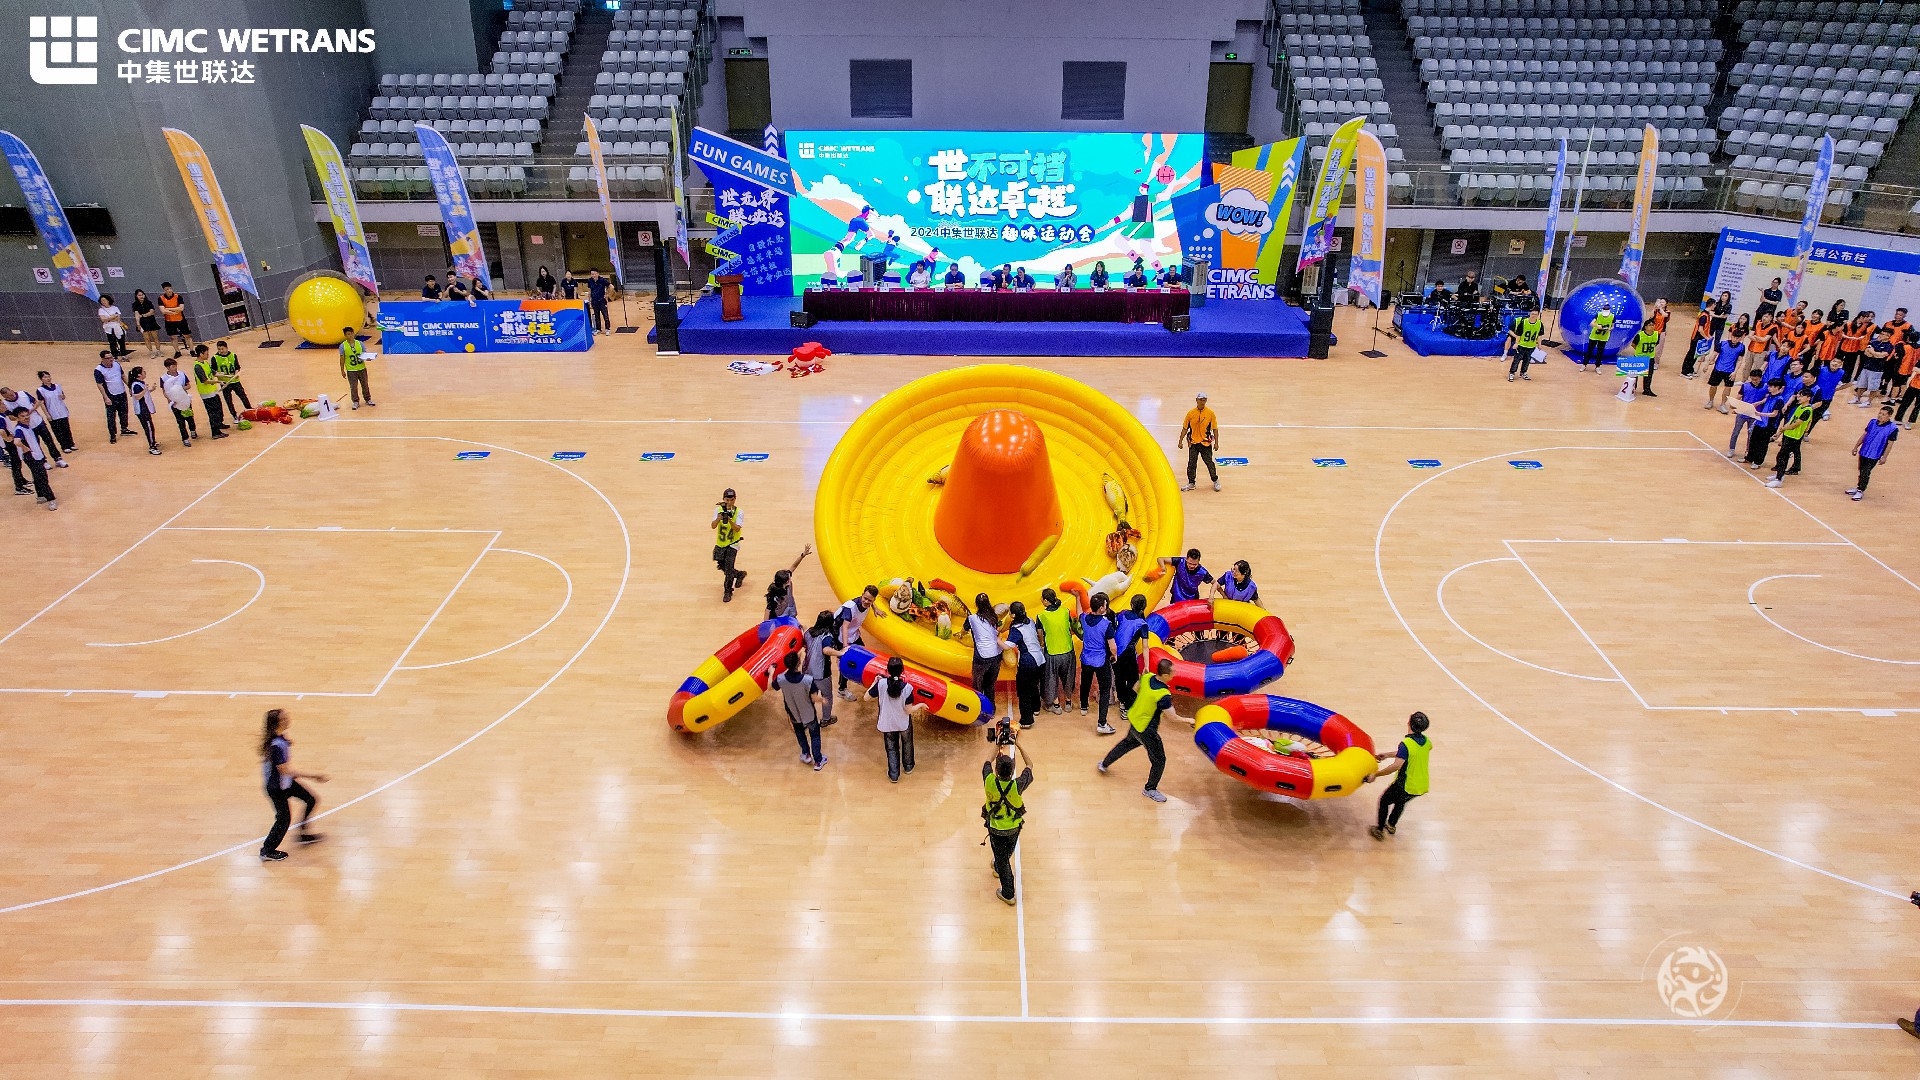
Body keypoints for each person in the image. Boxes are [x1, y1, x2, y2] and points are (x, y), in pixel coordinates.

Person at [1099, 656, 1182, 803]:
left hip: (1136, 721)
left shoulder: (1147, 677)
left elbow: (1135, 689)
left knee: (1125, 744)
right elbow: (1173, 717)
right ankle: (1150, 789)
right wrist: (1189, 720)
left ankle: (1104, 764)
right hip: (1147, 730)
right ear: (1165, 675)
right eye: (1173, 672)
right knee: (1159, 760)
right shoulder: (1163, 695)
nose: (1175, 673)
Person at [258, 708, 327, 861]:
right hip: (277, 788)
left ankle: (303, 833)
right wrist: (314, 776)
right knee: (283, 819)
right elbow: (285, 771)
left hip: (286, 783)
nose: (288, 719)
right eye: (284, 718)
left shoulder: (279, 739)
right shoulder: (276, 745)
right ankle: (267, 850)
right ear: (278, 723)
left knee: (310, 799)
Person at [983, 729, 1035, 906]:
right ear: (1012, 771)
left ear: (996, 771)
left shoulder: (989, 781)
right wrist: (1017, 744)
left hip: (996, 828)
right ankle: (999, 865)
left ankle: (1008, 893)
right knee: (1006, 852)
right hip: (1013, 828)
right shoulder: (1017, 785)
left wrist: (998, 744)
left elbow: (987, 762)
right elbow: (1030, 765)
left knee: (1002, 859)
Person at [1367, 711, 1432, 840]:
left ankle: (1379, 830)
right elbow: (1410, 753)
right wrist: (1387, 755)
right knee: (1400, 802)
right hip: (1421, 785)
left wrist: (1376, 774)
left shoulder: (1406, 744)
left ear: (1409, 723)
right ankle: (1391, 825)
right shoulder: (1427, 742)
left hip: (1405, 784)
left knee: (1384, 801)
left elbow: (1396, 766)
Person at [866, 655, 926, 782]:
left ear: (887, 670)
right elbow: (908, 710)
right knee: (907, 743)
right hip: (903, 723)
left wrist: (874, 682)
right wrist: (920, 705)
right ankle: (908, 767)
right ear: (902, 671)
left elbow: (866, 698)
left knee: (891, 748)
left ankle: (894, 774)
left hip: (887, 723)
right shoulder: (908, 688)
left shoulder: (881, 684)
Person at [776, 652, 828, 770]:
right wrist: (823, 700)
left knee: (800, 733)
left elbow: (770, 687)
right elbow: (814, 698)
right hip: (808, 714)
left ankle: (806, 754)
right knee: (815, 735)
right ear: (798, 663)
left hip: (794, 714)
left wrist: (771, 673)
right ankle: (818, 761)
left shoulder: (780, 679)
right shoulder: (808, 680)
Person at [1077, 592, 1118, 734]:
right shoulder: (1107, 624)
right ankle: (1102, 723)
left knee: (1085, 682)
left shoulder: (1084, 618)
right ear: (1101, 608)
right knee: (1105, 689)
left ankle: (1083, 707)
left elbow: (1079, 613)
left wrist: (1077, 598)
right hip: (1101, 660)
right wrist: (1114, 656)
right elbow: (1112, 646)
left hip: (1086, 659)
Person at [1004, 600, 1047, 728]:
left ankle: (1027, 720)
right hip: (1040, 659)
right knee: (1033, 685)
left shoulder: (1016, 629)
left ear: (1013, 615)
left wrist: (996, 640)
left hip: (1028, 662)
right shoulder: (1030, 621)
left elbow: (1007, 646)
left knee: (1023, 691)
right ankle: (1036, 708)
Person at [0, 385, 64, 470]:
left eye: (11, 395)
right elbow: (10, 417)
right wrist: (20, 417)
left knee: (49, 441)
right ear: (4, 397)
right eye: (7, 397)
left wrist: (31, 411)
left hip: (38, 422)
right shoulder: (6, 404)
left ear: (12, 390)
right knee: (35, 445)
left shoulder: (23, 394)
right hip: (27, 428)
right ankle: (43, 461)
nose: (10, 397)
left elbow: (36, 402)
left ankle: (57, 459)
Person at [5, 406, 57, 510]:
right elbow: (16, 441)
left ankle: (40, 496)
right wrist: (25, 448)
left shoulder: (27, 426)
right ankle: (51, 499)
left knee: (37, 476)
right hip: (31, 457)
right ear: (17, 418)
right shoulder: (19, 429)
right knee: (42, 477)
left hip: (37, 455)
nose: (26, 418)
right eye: (22, 416)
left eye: (27, 415)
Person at [1766, 387, 1817, 488]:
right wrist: (1781, 431)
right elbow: (1791, 420)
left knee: (1783, 457)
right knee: (1781, 455)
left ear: (1808, 398)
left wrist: (1784, 428)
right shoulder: (1800, 407)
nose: (1798, 398)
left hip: (1794, 437)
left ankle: (1779, 479)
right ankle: (1779, 474)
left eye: (1801, 396)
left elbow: (1796, 424)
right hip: (1788, 434)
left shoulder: (1807, 410)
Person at [1035, 587, 1076, 715]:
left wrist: (1042, 644)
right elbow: (1072, 629)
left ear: (1046, 601)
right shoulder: (1065, 611)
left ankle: (1056, 705)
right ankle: (1068, 703)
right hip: (1068, 651)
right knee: (1068, 678)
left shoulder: (1041, 616)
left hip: (1052, 653)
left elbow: (1040, 635)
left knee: (1051, 680)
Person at [834, 585, 879, 699]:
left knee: (864, 655)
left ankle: (862, 678)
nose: (866, 601)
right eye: (865, 598)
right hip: (841, 636)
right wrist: (845, 646)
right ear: (862, 595)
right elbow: (844, 627)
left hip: (853, 634)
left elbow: (871, 602)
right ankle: (842, 689)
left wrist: (876, 608)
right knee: (846, 662)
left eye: (870, 600)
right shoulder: (850, 608)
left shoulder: (868, 603)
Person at [803, 610, 845, 727]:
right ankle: (826, 719)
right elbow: (826, 650)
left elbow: (804, 642)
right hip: (821, 673)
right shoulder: (827, 636)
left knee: (810, 696)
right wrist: (840, 653)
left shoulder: (808, 632)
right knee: (827, 696)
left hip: (806, 671)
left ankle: (807, 721)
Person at [1847, 405, 1898, 501]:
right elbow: (1864, 435)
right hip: (1864, 451)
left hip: (1875, 454)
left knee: (1866, 471)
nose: (1880, 416)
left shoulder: (1892, 428)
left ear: (1889, 416)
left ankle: (1861, 490)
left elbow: (1890, 444)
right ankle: (1859, 487)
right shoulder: (1872, 422)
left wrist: (1884, 457)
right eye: (1880, 413)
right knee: (1861, 469)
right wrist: (1856, 447)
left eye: (1883, 414)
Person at [965, 592, 1006, 711]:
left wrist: (961, 634)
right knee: (990, 684)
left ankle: (978, 708)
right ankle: (991, 709)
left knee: (977, 684)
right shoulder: (994, 617)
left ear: (976, 605)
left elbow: (964, 630)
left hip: (982, 657)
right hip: (996, 655)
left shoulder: (972, 618)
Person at [1111, 594, 1150, 714]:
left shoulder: (1123, 613)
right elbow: (1145, 646)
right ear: (1144, 607)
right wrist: (1146, 665)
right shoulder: (1142, 624)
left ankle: (1122, 701)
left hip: (1115, 651)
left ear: (1131, 604)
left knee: (1119, 678)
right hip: (1128, 654)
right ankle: (1128, 707)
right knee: (1133, 680)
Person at [710, 487, 748, 602]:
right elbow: (713, 526)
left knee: (729, 567)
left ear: (735, 499)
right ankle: (739, 574)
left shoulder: (739, 512)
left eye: (732, 500)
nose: (729, 502)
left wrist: (730, 520)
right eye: (727, 500)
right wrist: (719, 518)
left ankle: (727, 591)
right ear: (723, 499)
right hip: (721, 543)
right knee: (722, 566)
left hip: (733, 543)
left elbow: (737, 529)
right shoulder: (718, 510)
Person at [1743, 378, 1790, 469]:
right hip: (1760, 422)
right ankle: (1749, 458)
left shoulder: (1779, 400)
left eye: (1771, 386)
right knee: (1753, 440)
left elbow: (1774, 414)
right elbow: (1764, 400)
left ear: (1777, 387)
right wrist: (1757, 403)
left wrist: (1760, 414)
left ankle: (1758, 462)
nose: (1769, 388)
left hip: (1768, 425)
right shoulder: (1770, 396)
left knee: (1762, 444)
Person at [1178, 392, 1220, 492]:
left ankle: (1215, 480)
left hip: (1205, 443)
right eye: (1201, 399)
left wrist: (1216, 443)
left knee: (1209, 462)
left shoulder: (1210, 413)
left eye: (1204, 400)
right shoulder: (1191, 413)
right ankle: (1191, 483)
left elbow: (1215, 429)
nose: (1202, 402)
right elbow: (1185, 428)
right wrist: (1180, 441)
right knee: (1191, 463)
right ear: (1196, 400)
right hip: (1193, 443)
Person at [762, 545, 813, 621]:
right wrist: (766, 625)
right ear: (785, 582)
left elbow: (793, 566)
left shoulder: (785, 582)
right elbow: (767, 610)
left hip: (791, 612)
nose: (790, 580)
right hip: (780, 618)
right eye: (789, 579)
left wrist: (803, 555)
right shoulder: (775, 596)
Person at [191, 345, 231, 439]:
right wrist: (218, 382)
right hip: (206, 394)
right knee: (213, 413)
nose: (208, 355)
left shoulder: (205, 363)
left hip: (212, 391)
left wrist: (227, 376)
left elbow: (214, 373)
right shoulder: (197, 367)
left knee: (219, 409)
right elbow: (205, 381)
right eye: (206, 353)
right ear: (201, 354)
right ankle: (215, 432)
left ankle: (219, 424)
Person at [1726, 369, 1768, 457]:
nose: (1754, 381)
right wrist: (1735, 405)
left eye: (1756, 379)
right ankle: (1731, 449)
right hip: (1743, 412)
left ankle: (1748, 451)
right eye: (1752, 379)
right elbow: (1739, 397)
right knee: (1736, 431)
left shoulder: (1766, 386)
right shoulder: (1745, 386)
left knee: (1751, 434)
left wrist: (1759, 403)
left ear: (1760, 378)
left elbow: (1766, 398)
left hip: (1755, 414)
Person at [93, 349, 132, 443]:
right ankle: (112, 435)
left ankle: (124, 428)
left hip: (121, 393)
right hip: (111, 395)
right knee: (111, 416)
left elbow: (123, 376)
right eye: (108, 358)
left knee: (124, 412)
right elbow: (100, 385)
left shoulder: (116, 364)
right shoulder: (99, 370)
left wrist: (130, 387)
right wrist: (105, 397)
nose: (111, 359)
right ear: (103, 359)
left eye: (111, 357)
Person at [1849, 329, 1893, 409]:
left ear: (1888, 336)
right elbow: (1866, 352)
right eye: (1880, 333)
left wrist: (1872, 352)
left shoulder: (1889, 346)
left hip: (1877, 370)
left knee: (1873, 387)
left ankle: (1868, 402)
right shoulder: (1874, 342)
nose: (1880, 335)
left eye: (1883, 334)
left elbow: (1882, 355)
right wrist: (1875, 354)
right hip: (1866, 367)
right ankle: (1857, 398)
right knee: (1862, 384)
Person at [33, 371, 76, 453]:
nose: (48, 378)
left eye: (49, 376)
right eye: (45, 377)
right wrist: (47, 415)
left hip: (62, 411)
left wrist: (63, 396)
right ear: (41, 379)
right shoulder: (40, 390)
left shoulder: (57, 386)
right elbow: (41, 403)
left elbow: (63, 397)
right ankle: (64, 446)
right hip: (52, 413)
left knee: (66, 428)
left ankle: (71, 444)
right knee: (58, 430)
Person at [160, 357, 197, 447]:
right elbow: (164, 391)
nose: (175, 368)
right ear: (167, 367)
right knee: (180, 421)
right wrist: (170, 400)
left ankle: (193, 430)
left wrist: (180, 389)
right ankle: (185, 438)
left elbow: (188, 385)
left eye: (175, 366)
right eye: (173, 367)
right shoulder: (163, 378)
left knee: (190, 417)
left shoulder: (182, 374)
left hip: (185, 400)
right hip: (175, 403)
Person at [1704, 332, 1744, 413]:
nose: (1735, 339)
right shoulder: (1723, 344)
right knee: (1713, 386)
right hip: (1718, 369)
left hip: (1730, 371)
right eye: (1734, 337)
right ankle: (1710, 401)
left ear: (1740, 339)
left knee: (1728, 387)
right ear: (1731, 336)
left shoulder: (1741, 347)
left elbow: (1740, 360)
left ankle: (1722, 404)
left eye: (1737, 338)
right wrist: (1707, 364)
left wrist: (1735, 372)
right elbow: (1714, 354)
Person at [126, 366, 162, 456]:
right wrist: (145, 390)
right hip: (142, 410)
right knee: (149, 428)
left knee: (150, 427)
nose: (145, 373)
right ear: (139, 375)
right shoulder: (136, 385)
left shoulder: (139, 383)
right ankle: (152, 447)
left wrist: (150, 389)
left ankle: (152, 441)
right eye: (143, 372)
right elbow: (137, 396)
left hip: (145, 409)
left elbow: (143, 393)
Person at [1504, 307, 1544, 382]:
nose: (1533, 316)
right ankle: (1512, 373)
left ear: (1538, 314)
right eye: (1532, 314)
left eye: (1535, 314)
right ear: (1529, 314)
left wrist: (1539, 344)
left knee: (1527, 360)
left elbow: (1540, 335)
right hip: (1522, 345)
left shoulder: (1539, 324)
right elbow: (1518, 334)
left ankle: (1523, 372)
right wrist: (1516, 343)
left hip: (1531, 346)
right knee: (1517, 360)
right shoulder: (1524, 322)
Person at [210, 339, 251, 413]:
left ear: (226, 348)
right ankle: (234, 414)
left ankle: (249, 409)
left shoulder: (233, 355)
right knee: (228, 400)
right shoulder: (214, 358)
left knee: (243, 396)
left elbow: (237, 367)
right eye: (219, 349)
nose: (221, 351)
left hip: (235, 381)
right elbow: (213, 371)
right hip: (224, 383)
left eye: (222, 349)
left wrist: (236, 373)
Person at [1622, 321, 1661, 398]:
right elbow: (1633, 345)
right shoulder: (1639, 335)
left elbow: (1656, 344)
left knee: (1649, 375)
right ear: (1645, 327)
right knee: (1635, 375)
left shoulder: (1657, 335)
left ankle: (1647, 389)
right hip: (1639, 357)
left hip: (1650, 357)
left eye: (1653, 325)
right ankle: (1632, 388)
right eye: (1650, 325)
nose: (1652, 327)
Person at [339, 329, 374, 409]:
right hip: (351, 370)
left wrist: (368, 358)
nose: (350, 336)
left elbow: (364, 354)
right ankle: (355, 401)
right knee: (353, 387)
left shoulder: (360, 343)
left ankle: (368, 399)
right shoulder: (343, 346)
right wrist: (342, 370)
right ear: (345, 335)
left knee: (365, 385)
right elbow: (342, 359)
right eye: (348, 334)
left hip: (362, 368)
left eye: (351, 333)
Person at [156, 282, 193, 352]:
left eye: (170, 288)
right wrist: (174, 311)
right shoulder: (161, 298)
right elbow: (163, 311)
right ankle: (177, 351)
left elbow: (181, 308)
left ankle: (192, 351)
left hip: (180, 319)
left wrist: (168, 309)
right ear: (164, 290)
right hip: (169, 321)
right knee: (173, 337)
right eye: (167, 289)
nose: (169, 290)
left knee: (187, 335)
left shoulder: (178, 297)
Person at [129, 288, 164, 358]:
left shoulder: (149, 303)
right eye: (139, 295)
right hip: (143, 323)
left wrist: (143, 315)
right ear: (136, 296)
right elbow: (137, 315)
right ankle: (151, 352)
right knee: (147, 338)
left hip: (151, 321)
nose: (141, 296)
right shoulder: (135, 305)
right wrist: (138, 324)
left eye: (142, 295)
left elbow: (151, 312)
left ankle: (158, 350)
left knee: (155, 337)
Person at [1582, 303, 1614, 370]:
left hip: (1604, 337)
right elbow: (1591, 323)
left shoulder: (1612, 316)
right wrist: (1597, 326)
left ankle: (1598, 366)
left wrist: (1609, 329)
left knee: (1600, 352)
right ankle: (1584, 364)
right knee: (1590, 350)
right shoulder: (1598, 315)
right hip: (1594, 336)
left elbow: (1612, 326)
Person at [98, 293, 129, 358]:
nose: (103, 302)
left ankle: (123, 355)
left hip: (117, 327)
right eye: (102, 301)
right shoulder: (101, 310)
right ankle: (114, 355)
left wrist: (108, 319)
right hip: (108, 328)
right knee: (112, 342)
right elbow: (103, 320)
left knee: (121, 341)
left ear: (108, 300)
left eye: (104, 300)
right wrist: (112, 317)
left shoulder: (115, 308)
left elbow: (118, 318)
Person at [586, 268, 612, 333]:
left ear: (598, 274)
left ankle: (607, 329)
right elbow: (589, 291)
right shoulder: (590, 281)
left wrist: (607, 294)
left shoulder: (602, 280)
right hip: (594, 301)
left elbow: (611, 286)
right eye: (592, 274)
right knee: (596, 316)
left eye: (595, 274)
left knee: (605, 315)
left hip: (602, 300)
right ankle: (598, 329)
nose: (593, 275)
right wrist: (589, 300)